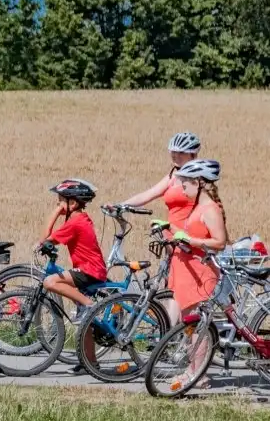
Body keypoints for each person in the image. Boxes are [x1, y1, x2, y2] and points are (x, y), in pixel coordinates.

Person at [166, 159, 228, 390]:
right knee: (191, 326)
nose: (182, 189)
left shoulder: (210, 209)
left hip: (201, 274)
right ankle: (193, 369)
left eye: (185, 185)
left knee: (198, 327)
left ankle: (198, 375)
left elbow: (219, 242)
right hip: (188, 273)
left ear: (199, 183)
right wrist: (170, 230)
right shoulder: (197, 208)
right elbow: (191, 234)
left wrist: (190, 240)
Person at [38, 179, 108, 324]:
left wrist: (56, 211)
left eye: (61, 201)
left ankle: (88, 305)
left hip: (88, 271)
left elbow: (44, 238)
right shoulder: (79, 218)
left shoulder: (75, 223)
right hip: (92, 269)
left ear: (73, 203)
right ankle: (84, 307)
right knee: (86, 328)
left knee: (49, 282)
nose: (58, 204)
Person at [108, 132, 202, 234]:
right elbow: (147, 195)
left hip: (192, 238)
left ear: (193, 154)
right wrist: (119, 206)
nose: (176, 155)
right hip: (172, 238)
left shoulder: (201, 178)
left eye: (181, 152)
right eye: (174, 151)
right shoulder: (173, 177)